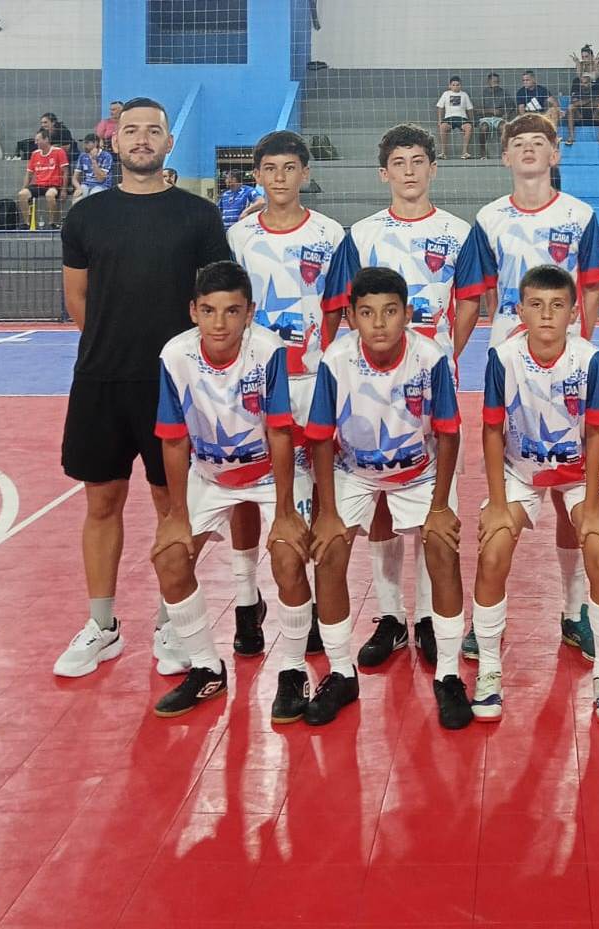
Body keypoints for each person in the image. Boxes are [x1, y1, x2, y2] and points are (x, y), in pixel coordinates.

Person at [53, 96, 232, 679]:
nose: (142, 139)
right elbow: (77, 297)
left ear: (168, 143)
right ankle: (102, 625)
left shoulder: (199, 217)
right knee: (101, 502)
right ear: (115, 140)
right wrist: (113, 345)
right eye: (131, 130)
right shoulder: (86, 216)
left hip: (173, 387)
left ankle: (171, 621)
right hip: (101, 381)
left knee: (172, 505)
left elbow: (215, 298)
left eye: (153, 130)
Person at [322, 123, 473, 670]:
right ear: (383, 173)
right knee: (381, 499)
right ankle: (390, 617)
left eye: (418, 161)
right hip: (371, 384)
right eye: (399, 163)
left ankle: (430, 618)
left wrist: (442, 355)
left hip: (432, 383)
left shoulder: (459, 231)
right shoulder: (361, 234)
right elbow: (343, 305)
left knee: (434, 502)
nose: (409, 171)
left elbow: (470, 302)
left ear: (433, 168)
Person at [454, 112, 599, 660]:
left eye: (539, 142)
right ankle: (485, 620)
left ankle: (575, 610)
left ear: (554, 153)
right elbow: (480, 292)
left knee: (570, 491)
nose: (530, 150)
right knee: (506, 481)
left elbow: (590, 288)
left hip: (567, 364)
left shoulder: (580, 215)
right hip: (510, 360)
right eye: (519, 143)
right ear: (506, 157)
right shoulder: (488, 217)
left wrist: (577, 351)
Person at [304, 266, 470, 729]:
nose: (378, 323)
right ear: (352, 317)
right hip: (354, 471)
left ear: (408, 314)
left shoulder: (429, 357)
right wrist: (328, 513)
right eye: (367, 313)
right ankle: (341, 673)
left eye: (390, 311)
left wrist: (440, 508)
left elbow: (449, 433)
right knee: (328, 552)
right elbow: (320, 438)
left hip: (420, 471)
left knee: (443, 548)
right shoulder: (336, 360)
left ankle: (449, 675)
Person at [151, 260, 315, 721]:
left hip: (272, 472)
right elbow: (173, 438)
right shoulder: (175, 356)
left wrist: (285, 511)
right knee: (169, 557)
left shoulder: (268, 351)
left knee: (287, 557)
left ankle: (293, 670)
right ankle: (207, 668)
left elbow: (280, 431)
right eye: (208, 310)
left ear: (250, 313)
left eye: (232, 311)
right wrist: (176, 515)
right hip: (211, 475)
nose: (219, 323)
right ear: (193, 311)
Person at [472, 264, 599, 724]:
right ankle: (489, 669)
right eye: (536, 305)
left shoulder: (589, 359)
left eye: (557, 306)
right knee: (493, 551)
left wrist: (593, 506)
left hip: (577, 472)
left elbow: (595, 433)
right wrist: (498, 504)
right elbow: (491, 430)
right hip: (519, 471)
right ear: (520, 310)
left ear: (573, 313)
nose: (545, 315)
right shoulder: (503, 358)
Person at [226, 129, 344, 660]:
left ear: (305, 173)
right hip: (254, 384)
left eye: (289, 168)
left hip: (313, 383)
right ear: (257, 175)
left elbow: (336, 306)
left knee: (315, 492)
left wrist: (321, 359)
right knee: (247, 488)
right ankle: (246, 599)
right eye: (270, 168)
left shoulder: (330, 233)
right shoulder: (238, 236)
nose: (279, 177)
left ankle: (314, 602)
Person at [18, 129, 68, 229]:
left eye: (38, 140)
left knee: (50, 195)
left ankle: (52, 223)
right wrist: (24, 187)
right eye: (35, 140)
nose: (36, 142)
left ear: (46, 139)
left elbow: (65, 172)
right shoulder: (35, 154)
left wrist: (64, 190)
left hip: (54, 185)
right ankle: (27, 223)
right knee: (22, 194)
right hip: (39, 185)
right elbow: (29, 174)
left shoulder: (59, 152)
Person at [435, 76, 474, 160]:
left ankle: (465, 152)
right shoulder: (446, 94)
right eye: (453, 85)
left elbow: (470, 108)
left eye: (457, 85)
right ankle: (443, 152)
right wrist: (439, 120)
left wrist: (471, 120)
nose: (455, 87)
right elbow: (440, 107)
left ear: (460, 85)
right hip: (449, 118)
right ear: (449, 86)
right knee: (442, 127)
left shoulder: (464, 94)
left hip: (462, 118)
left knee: (468, 127)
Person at [565, 72, 599, 146]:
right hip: (580, 115)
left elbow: (598, 103)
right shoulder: (577, 92)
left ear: (590, 84)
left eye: (585, 83)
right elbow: (574, 103)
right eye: (581, 83)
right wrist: (590, 100)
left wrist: (582, 103)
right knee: (570, 107)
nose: (582, 84)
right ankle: (571, 136)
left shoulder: (596, 91)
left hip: (594, 115)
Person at [476, 72, 510, 158]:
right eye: (494, 81)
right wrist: (491, 110)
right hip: (486, 118)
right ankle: (482, 151)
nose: (496, 84)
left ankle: (504, 152)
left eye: (497, 82)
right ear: (489, 82)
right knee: (483, 128)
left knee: (503, 127)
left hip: (499, 118)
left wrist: (506, 114)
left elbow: (511, 107)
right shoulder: (483, 93)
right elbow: (477, 111)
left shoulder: (503, 93)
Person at [72, 133, 113, 202]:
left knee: (93, 196)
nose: (84, 146)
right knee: (77, 199)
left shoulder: (106, 156)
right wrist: (78, 188)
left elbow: (100, 179)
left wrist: (93, 160)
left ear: (95, 143)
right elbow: (74, 178)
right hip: (86, 184)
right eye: (84, 143)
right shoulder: (83, 156)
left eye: (87, 143)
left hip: (102, 185)